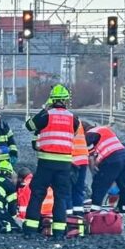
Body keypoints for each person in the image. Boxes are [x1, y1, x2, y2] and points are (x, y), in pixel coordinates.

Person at [23, 84, 81, 239]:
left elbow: (29, 126)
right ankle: (59, 233)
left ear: (52, 99)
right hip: (64, 164)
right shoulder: (74, 119)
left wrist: (44, 110)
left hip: (46, 162)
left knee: (37, 194)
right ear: (66, 100)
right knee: (60, 197)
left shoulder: (46, 115)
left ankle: (30, 230)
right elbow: (74, 133)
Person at [85, 124, 125, 222]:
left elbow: (90, 156)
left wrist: (94, 171)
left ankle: (94, 217)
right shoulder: (104, 129)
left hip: (111, 159)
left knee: (98, 186)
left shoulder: (89, 134)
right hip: (124, 156)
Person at [67, 121, 89, 237]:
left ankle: (69, 218)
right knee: (79, 189)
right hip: (83, 158)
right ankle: (79, 216)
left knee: (68, 189)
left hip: (71, 159)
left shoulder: (64, 121)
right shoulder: (77, 121)